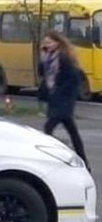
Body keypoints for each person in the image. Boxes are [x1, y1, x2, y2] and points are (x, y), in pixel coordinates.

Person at [38, 30, 88, 168]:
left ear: (58, 43)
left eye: (49, 42)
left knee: (48, 129)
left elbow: (74, 78)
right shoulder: (48, 57)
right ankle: (84, 160)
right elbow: (41, 73)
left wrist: (60, 93)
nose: (47, 45)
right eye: (45, 42)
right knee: (72, 131)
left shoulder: (65, 57)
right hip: (56, 98)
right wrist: (43, 57)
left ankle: (45, 160)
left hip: (64, 99)